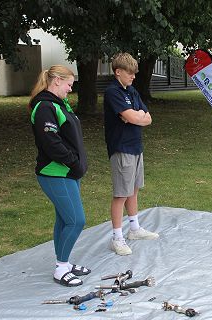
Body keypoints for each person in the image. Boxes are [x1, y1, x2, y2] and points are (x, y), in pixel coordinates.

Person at [29, 65, 91, 287]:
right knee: (76, 220)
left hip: (68, 173)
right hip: (56, 173)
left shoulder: (58, 104)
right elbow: (51, 143)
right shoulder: (45, 107)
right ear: (56, 80)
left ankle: (63, 262)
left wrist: (76, 164)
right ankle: (61, 268)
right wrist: (73, 162)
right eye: (69, 84)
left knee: (64, 219)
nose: (70, 89)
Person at [104, 52, 158, 256]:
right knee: (121, 193)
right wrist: (134, 116)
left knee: (134, 189)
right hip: (121, 147)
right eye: (130, 73)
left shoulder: (132, 91)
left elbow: (147, 117)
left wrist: (136, 117)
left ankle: (134, 229)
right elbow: (131, 116)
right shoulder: (113, 92)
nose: (133, 76)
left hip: (136, 146)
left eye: (135, 73)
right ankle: (117, 238)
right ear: (118, 72)